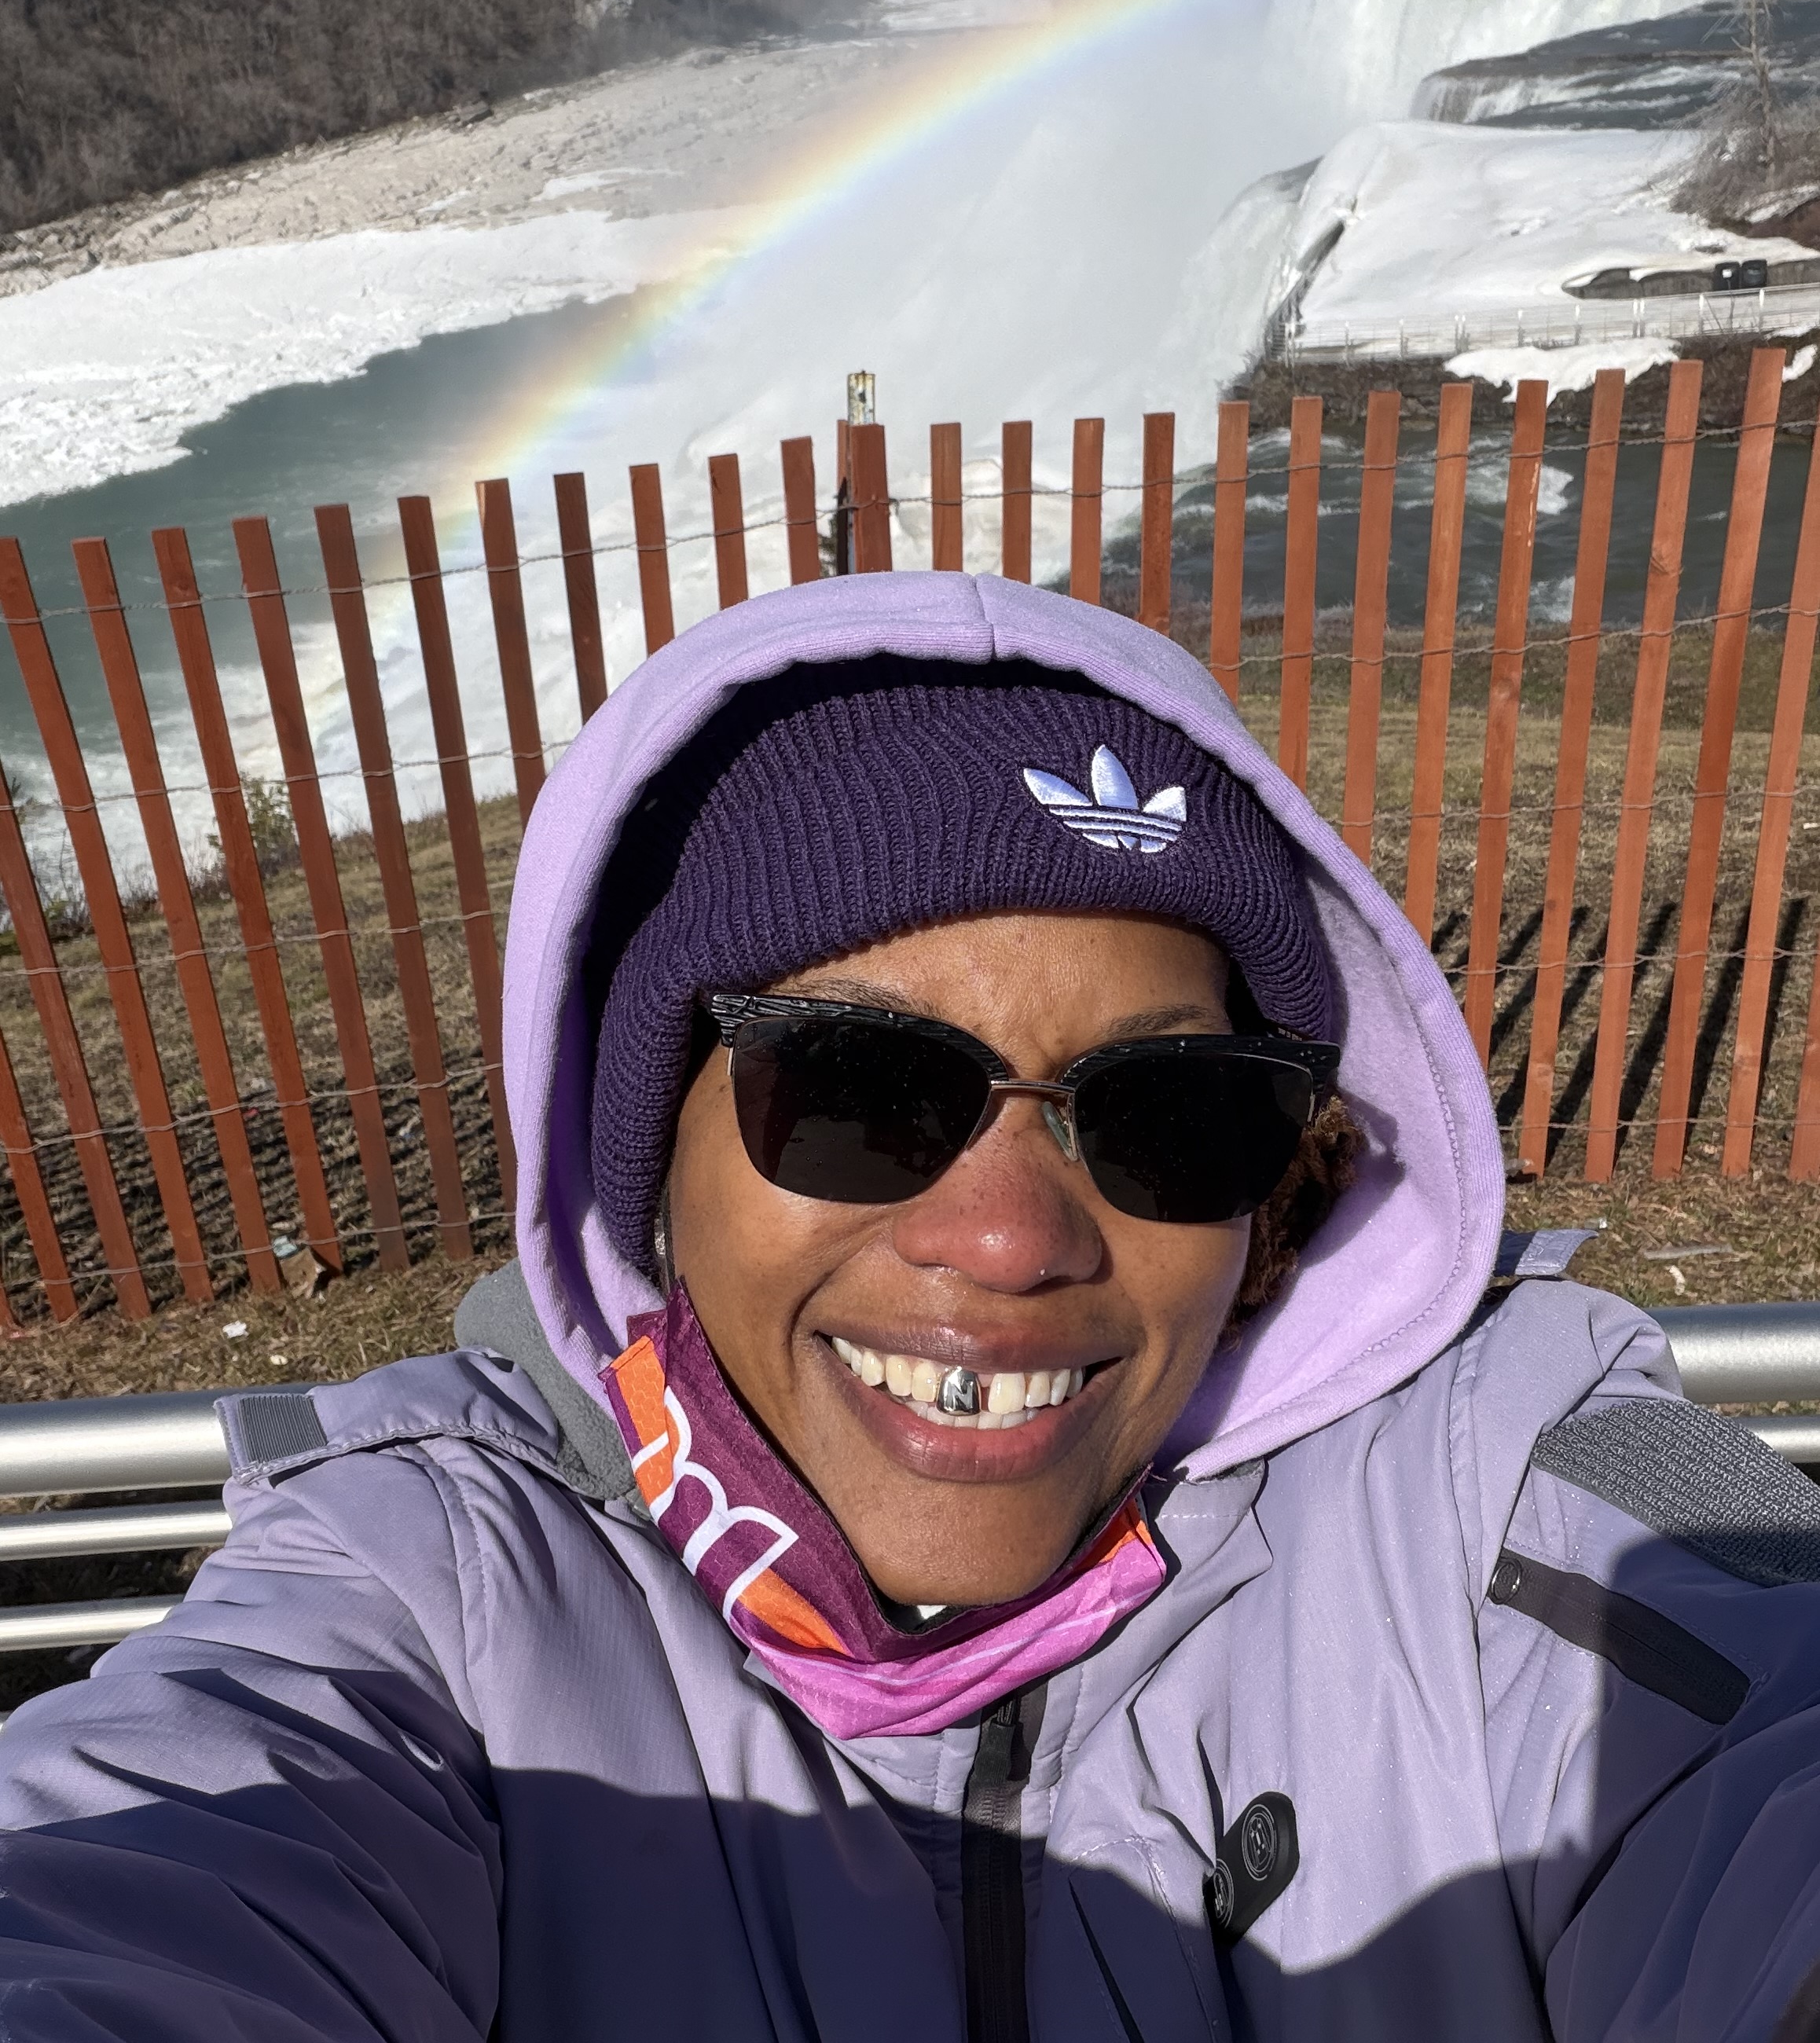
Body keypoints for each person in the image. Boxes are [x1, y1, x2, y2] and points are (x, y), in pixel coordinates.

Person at [1, 568, 1818, 2043]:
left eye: (1172, 1113)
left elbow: (1766, 1682)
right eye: (859, 1088)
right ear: (645, 1154)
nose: (1010, 1239)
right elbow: (142, 1864)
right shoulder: (424, 1575)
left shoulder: (1522, 1438)